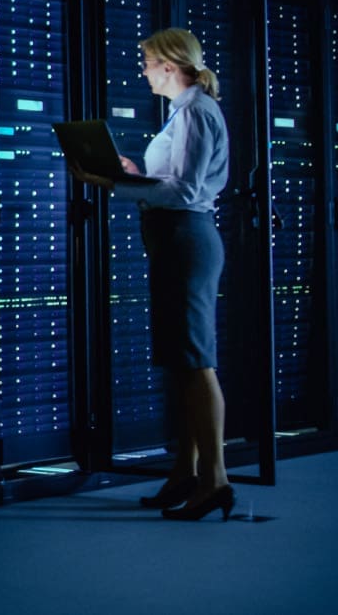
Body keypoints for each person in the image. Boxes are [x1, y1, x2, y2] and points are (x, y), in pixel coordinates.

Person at [69, 27, 237, 521]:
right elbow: (174, 180)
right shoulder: (182, 114)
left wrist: (112, 183)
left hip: (187, 237)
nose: (142, 72)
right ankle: (186, 473)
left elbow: (185, 192)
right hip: (174, 238)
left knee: (195, 360)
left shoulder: (197, 112)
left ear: (169, 65)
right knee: (181, 362)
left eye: (146, 63)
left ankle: (216, 481)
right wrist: (133, 173)